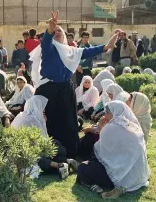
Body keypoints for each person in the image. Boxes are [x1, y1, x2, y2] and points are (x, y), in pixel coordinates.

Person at [32, 10, 117, 158]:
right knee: (52, 121)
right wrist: (50, 28)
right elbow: (45, 41)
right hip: (49, 90)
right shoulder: (49, 49)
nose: (57, 32)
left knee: (69, 120)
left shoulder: (71, 51)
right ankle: (53, 153)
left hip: (66, 89)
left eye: (59, 30)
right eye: (55, 31)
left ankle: (71, 152)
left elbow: (86, 52)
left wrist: (105, 47)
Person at [76, 101, 150, 199]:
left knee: (83, 168)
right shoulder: (132, 126)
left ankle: (97, 186)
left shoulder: (112, 128)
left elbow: (98, 152)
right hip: (137, 175)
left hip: (117, 176)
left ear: (114, 113)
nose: (105, 116)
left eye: (107, 113)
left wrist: (102, 129)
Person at [11, 95, 74, 179]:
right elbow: (42, 142)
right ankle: (60, 165)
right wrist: (42, 120)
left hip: (27, 148)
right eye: (42, 108)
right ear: (36, 107)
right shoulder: (32, 120)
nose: (43, 110)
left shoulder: (23, 115)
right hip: (26, 153)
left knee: (56, 145)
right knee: (52, 152)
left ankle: (65, 162)